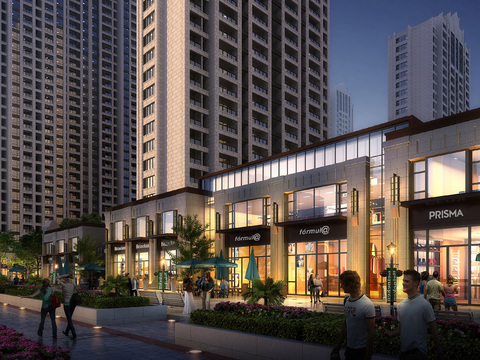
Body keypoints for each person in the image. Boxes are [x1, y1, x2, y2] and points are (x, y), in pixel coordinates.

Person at [386, 269, 445, 360]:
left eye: (407, 281)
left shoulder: (424, 305)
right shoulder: (400, 305)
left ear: (415, 283)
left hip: (418, 353)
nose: (403, 283)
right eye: (403, 281)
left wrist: (439, 351)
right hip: (404, 352)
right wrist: (391, 333)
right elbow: (402, 328)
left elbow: (434, 330)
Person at [331, 270, 375, 360]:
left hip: (361, 351)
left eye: (342, 283)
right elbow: (346, 322)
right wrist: (338, 344)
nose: (341, 286)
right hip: (349, 348)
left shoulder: (367, 304)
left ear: (350, 284)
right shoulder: (347, 300)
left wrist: (368, 354)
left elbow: (371, 332)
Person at [57, 273, 77, 339]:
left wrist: (63, 276)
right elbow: (73, 278)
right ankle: (66, 332)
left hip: (66, 304)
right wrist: (69, 276)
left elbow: (56, 278)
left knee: (69, 320)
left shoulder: (64, 285)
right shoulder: (73, 285)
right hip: (72, 304)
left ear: (65, 280)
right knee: (69, 318)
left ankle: (74, 334)